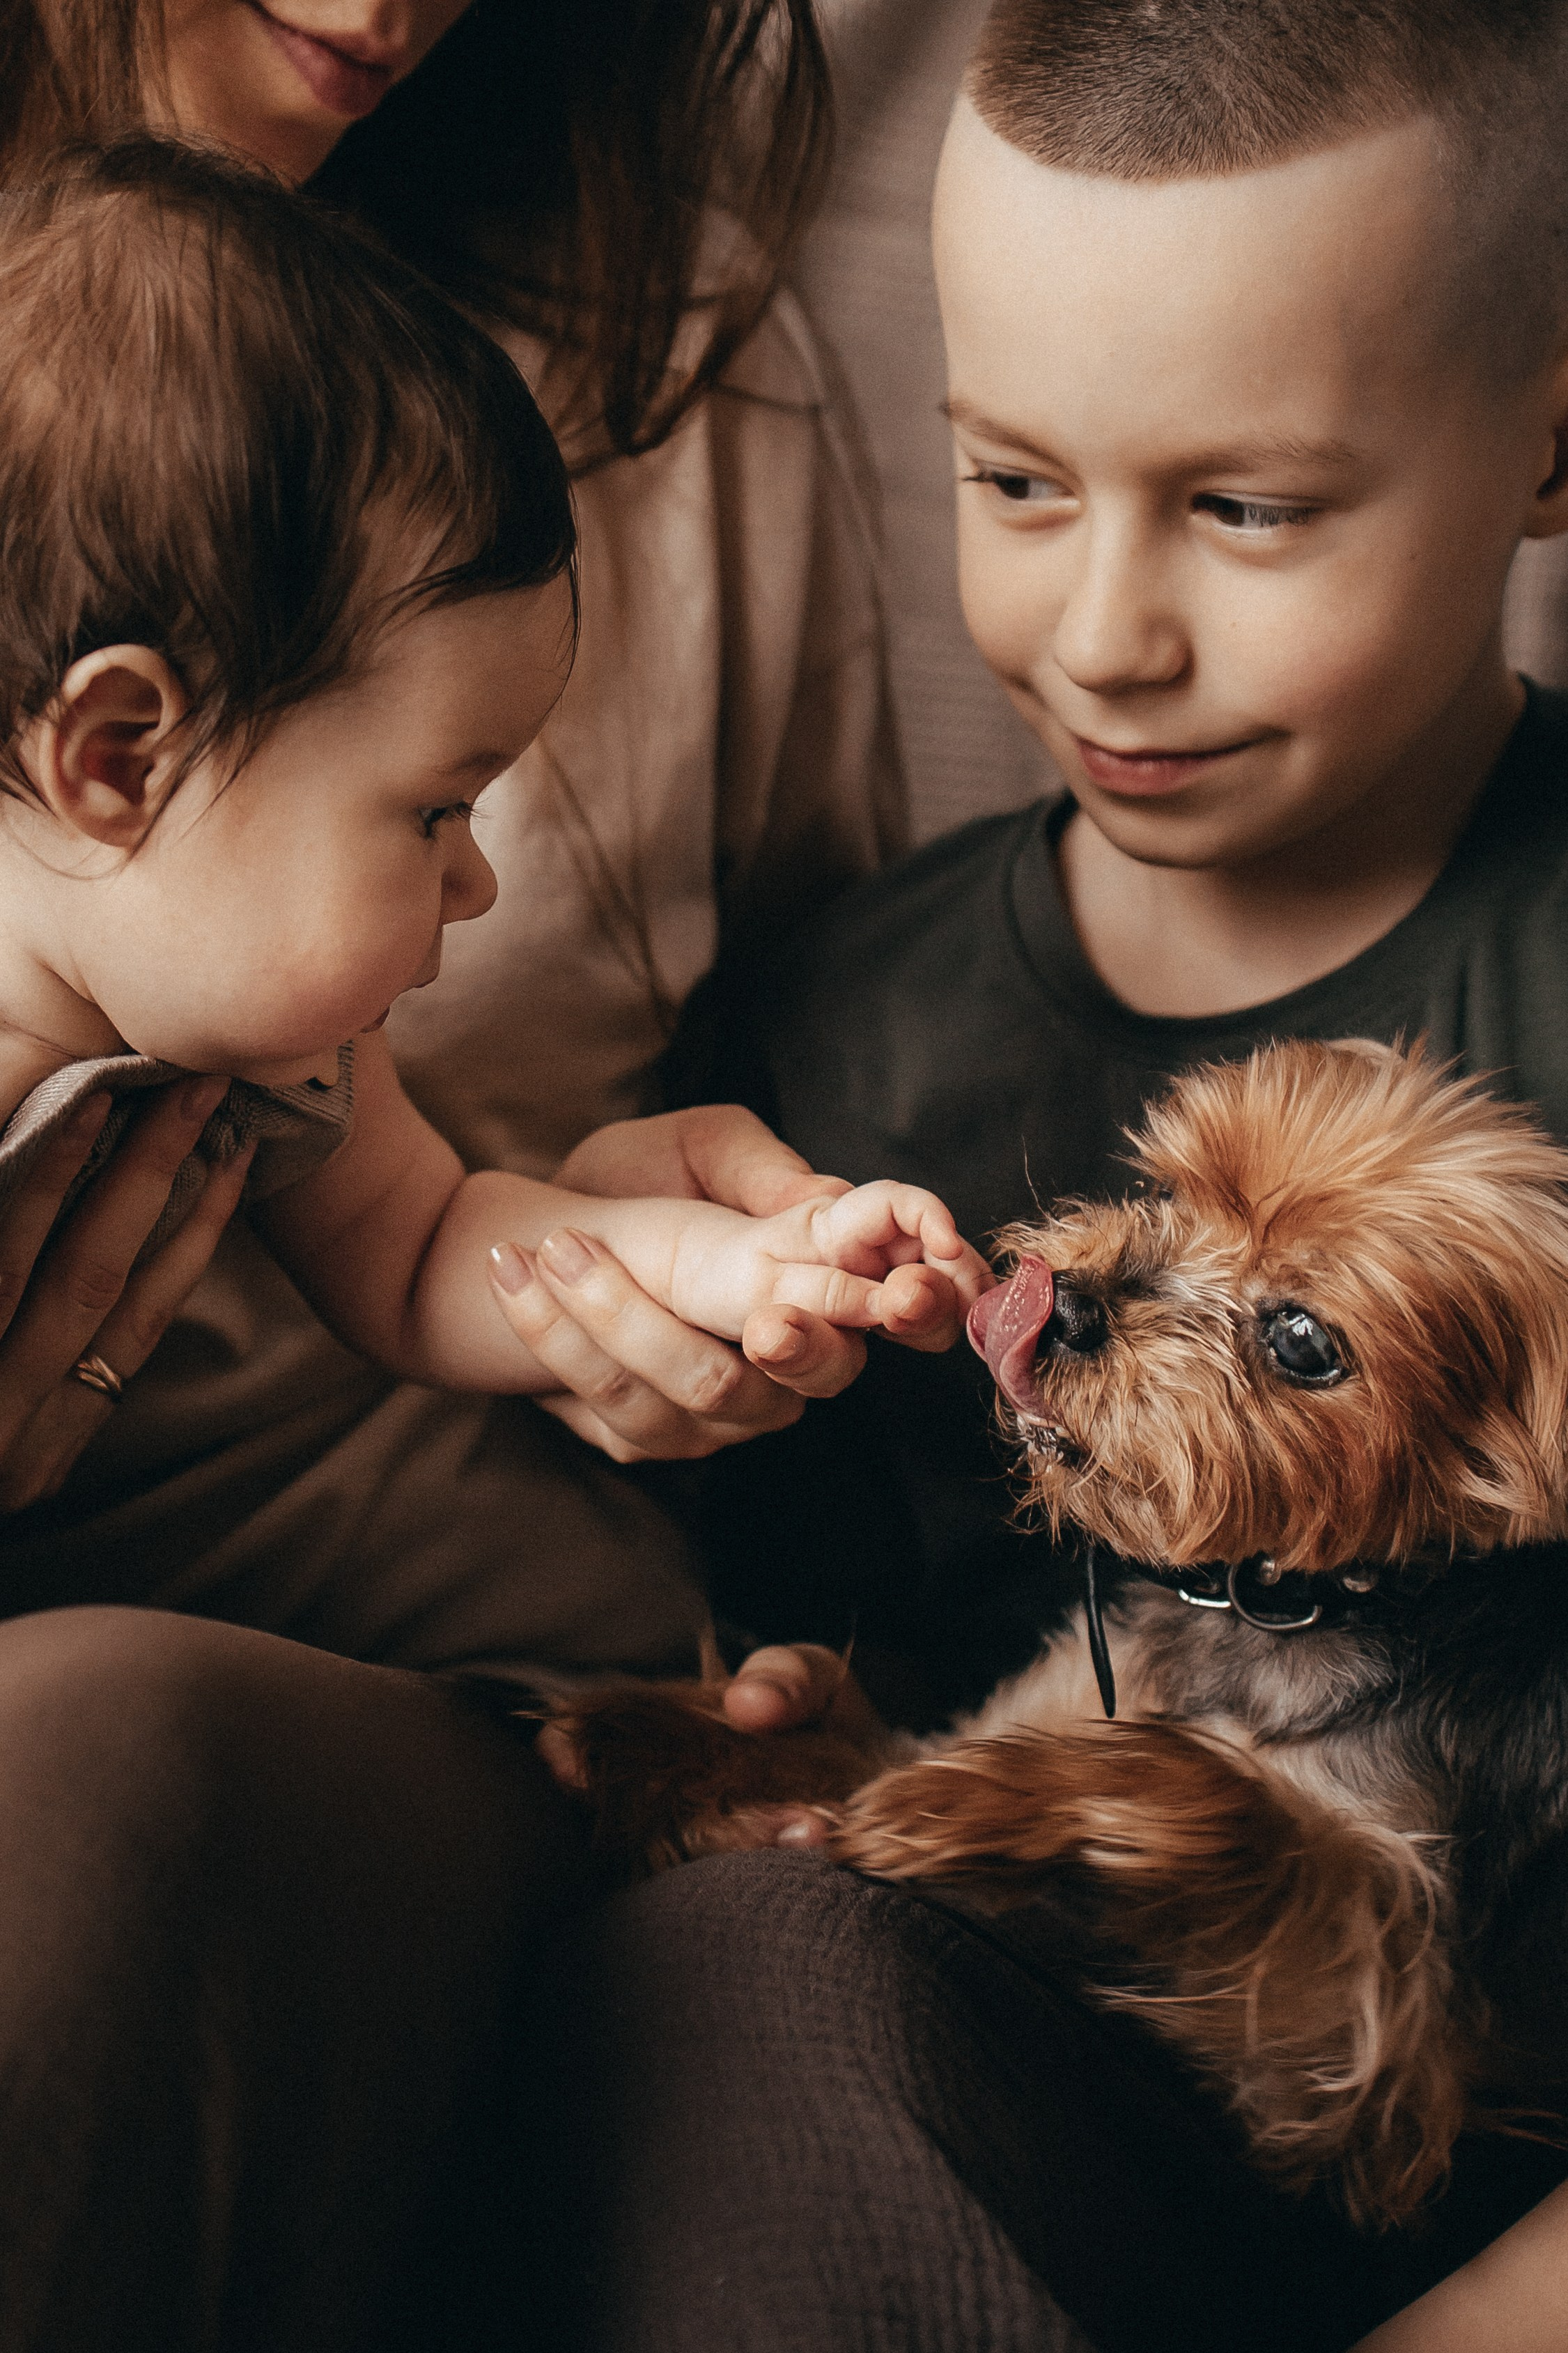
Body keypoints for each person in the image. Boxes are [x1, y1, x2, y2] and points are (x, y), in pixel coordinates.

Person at [542, 3, 1568, 2348]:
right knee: (727, 1949)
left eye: (1246, 504)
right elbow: (867, 1676)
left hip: (1478, 2184)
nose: (1100, 633)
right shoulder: (851, 1017)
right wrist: (605, 1326)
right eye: (1011, 482)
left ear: (1548, 433)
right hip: (1023, 2073)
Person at [0, 0, 903, 1656]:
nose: (474, 882)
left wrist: (697, 1273)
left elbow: (423, 1247)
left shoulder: (267, 1026)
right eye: (432, 812)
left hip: (481, 1659)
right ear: (117, 755)